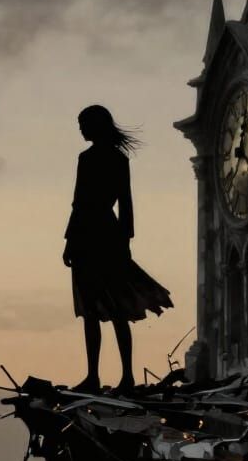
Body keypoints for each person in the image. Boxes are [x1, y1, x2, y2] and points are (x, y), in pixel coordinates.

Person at [63, 104, 173, 394]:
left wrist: (72, 241)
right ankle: (112, 376)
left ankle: (108, 376)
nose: (80, 129)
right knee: (105, 310)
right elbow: (121, 203)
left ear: (95, 125)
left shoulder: (92, 159)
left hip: (93, 235)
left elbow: (84, 202)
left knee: (105, 310)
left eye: (83, 123)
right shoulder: (113, 158)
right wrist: (123, 239)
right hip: (103, 235)